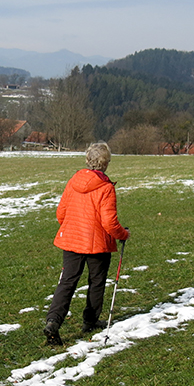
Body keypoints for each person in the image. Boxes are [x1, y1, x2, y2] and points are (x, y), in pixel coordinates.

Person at [44, 142, 130, 346]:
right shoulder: (106, 187)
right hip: (97, 244)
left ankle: (53, 321)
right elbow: (109, 222)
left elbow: (61, 213)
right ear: (106, 163)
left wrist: (73, 227)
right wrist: (123, 234)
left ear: (87, 160)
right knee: (97, 282)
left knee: (67, 282)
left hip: (72, 240)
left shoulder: (73, 181)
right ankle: (90, 321)